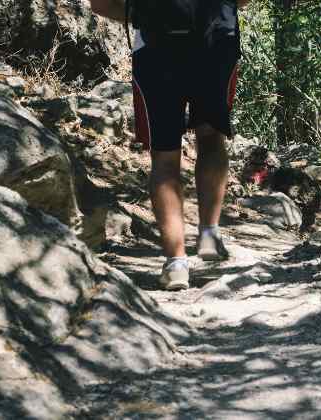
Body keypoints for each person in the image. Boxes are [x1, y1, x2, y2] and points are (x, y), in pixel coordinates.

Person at [90, 0, 249, 290]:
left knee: (164, 158)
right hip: (217, 41)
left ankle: (176, 263)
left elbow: (99, 5)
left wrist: (143, 13)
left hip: (156, 47)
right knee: (212, 137)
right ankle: (209, 233)